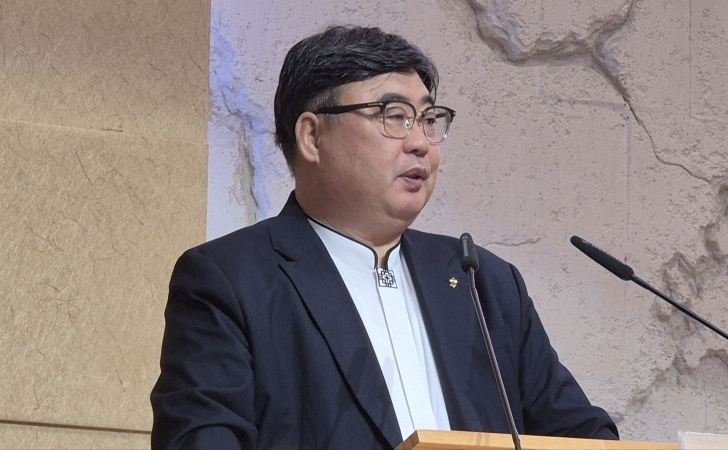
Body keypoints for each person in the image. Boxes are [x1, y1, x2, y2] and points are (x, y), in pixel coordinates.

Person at [150, 25, 618, 449]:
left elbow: (583, 435)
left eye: (429, 119)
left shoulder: (483, 282)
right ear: (312, 137)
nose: (421, 143)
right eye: (394, 116)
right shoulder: (231, 280)